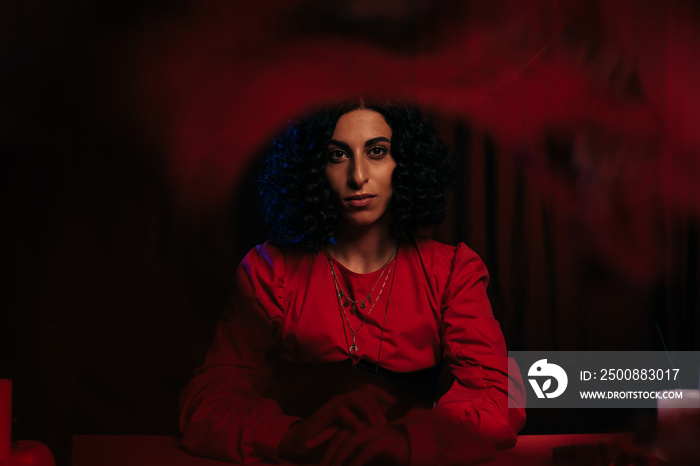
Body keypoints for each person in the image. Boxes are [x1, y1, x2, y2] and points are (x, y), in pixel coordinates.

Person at [179, 98, 526, 465]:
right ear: (314, 169)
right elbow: (208, 401)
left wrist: (412, 441)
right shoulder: (270, 271)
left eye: (377, 152)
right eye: (337, 155)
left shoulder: (451, 272)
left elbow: (499, 392)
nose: (358, 176)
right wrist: (290, 436)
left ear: (404, 164)